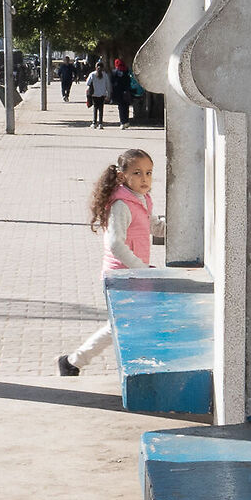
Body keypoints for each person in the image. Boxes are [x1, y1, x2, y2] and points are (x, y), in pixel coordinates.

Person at [57, 149, 156, 375]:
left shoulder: (142, 199)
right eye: (137, 173)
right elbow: (115, 244)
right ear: (122, 176)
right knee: (121, 324)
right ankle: (73, 362)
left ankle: (73, 362)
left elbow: (153, 226)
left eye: (149, 173)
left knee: (125, 323)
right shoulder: (122, 205)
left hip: (134, 275)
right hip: (121, 276)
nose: (144, 178)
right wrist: (141, 268)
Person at [86, 62, 112, 129]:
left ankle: (94, 122)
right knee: (101, 109)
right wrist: (108, 94)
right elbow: (108, 85)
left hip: (94, 94)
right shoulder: (105, 75)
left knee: (95, 108)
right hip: (102, 94)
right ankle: (100, 123)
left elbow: (87, 83)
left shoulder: (92, 74)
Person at [113, 59, 132, 128]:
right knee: (126, 107)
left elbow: (113, 82)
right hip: (126, 92)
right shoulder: (127, 71)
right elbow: (129, 81)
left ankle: (122, 122)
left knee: (121, 108)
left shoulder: (115, 72)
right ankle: (126, 121)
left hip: (119, 93)